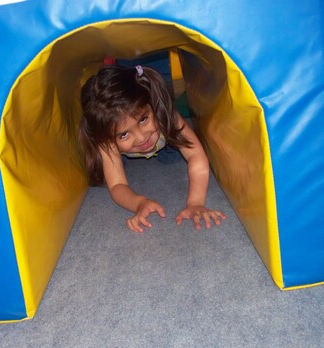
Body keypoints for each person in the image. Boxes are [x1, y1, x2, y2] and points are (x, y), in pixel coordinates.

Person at [79, 64, 226, 233]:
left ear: (153, 105)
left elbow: (196, 155)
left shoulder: (166, 115)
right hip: (125, 151)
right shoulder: (106, 139)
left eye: (143, 120)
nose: (142, 138)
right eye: (124, 134)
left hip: (165, 140)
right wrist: (139, 202)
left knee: (171, 156)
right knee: (113, 167)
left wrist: (196, 203)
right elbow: (117, 185)